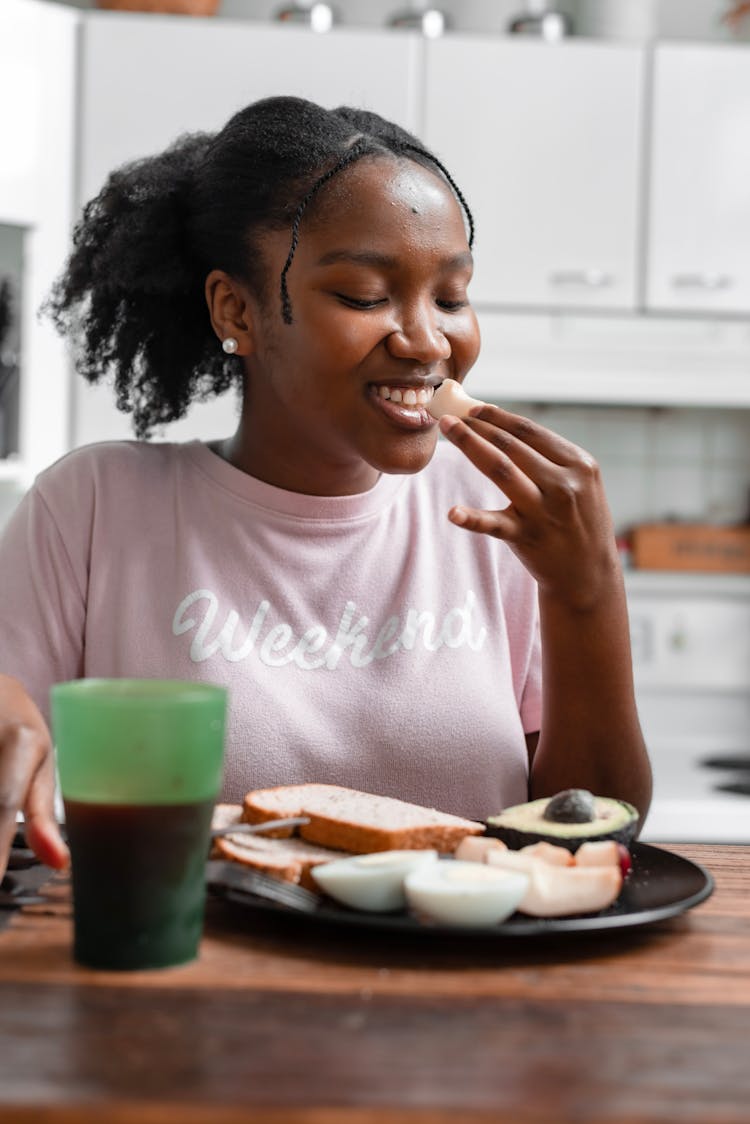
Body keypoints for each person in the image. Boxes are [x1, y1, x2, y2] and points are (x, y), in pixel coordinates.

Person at [0, 95, 651, 877]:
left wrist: (589, 591)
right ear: (235, 308)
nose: (426, 339)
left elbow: (595, 837)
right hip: (193, 987)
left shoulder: (501, 515)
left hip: (468, 987)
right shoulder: (95, 507)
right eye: (365, 296)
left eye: (451, 296)